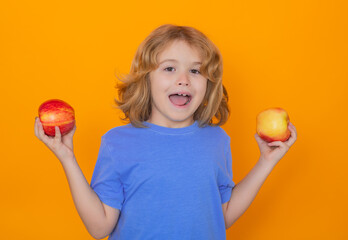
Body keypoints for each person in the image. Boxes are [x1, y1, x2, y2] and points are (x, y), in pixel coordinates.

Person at [34, 24, 297, 240]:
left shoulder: (217, 140)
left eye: (195, 70)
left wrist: (266, 161)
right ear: (147, 78)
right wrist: (67, 157)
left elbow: (221, 215)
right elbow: (99, 227)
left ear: (208, 84)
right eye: (170, 68)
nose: (183, 79)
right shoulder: (117, 142)